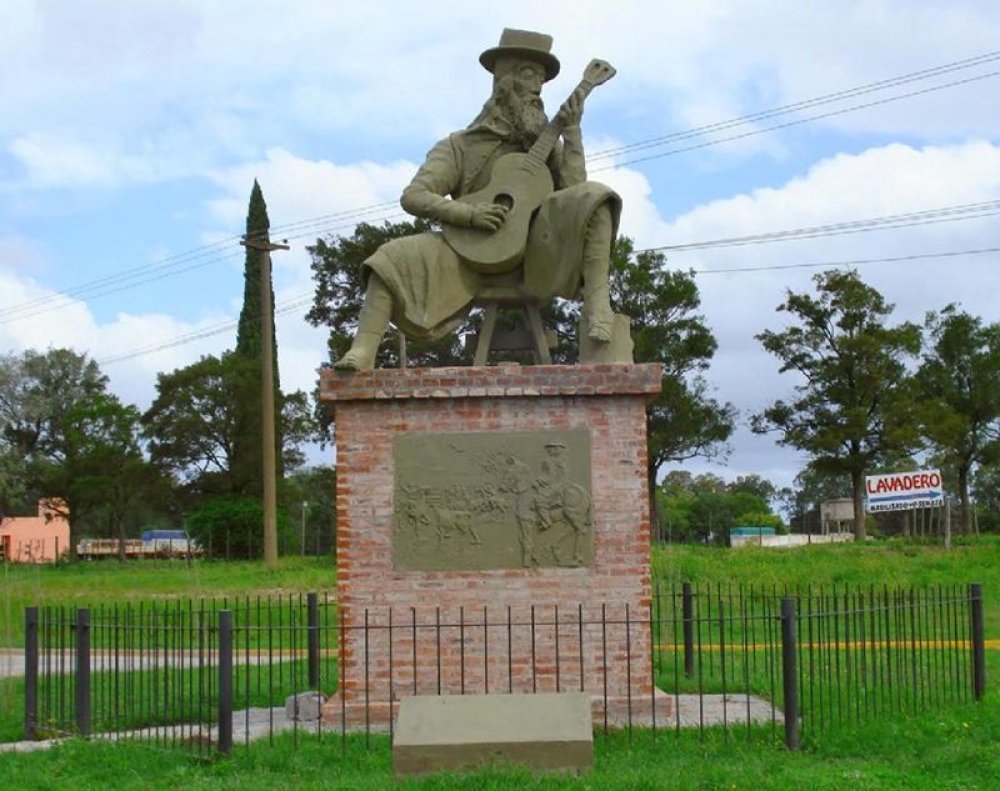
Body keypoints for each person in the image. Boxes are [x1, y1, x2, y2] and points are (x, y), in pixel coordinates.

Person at [335, 28, 622, 371]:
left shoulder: (545, 145)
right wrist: (468, 215)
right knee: (388, 258)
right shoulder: (460, 146)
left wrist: (573, 133)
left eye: (542, 82)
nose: (537, 89)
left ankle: (598, 307)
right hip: (466, 256)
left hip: (535, 255)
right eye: (529, 76)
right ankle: (363, 351)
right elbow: (414, 196)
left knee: (598, 197)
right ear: (504, 81)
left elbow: (577, 197)